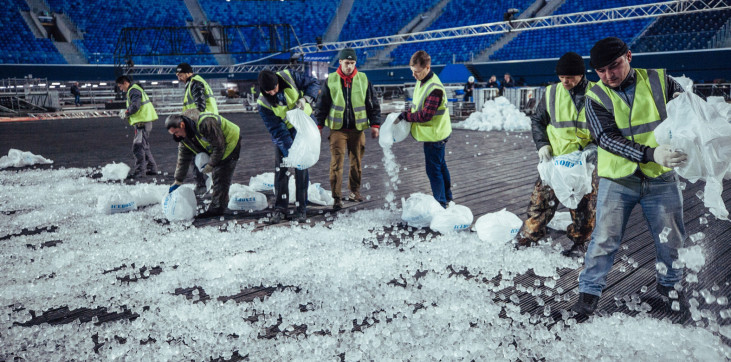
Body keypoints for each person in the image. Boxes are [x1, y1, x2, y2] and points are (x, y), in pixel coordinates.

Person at [571, 37, 689, 318]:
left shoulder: (662, 82)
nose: (608, 75)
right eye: (600, 70)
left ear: (629, 56)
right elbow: (605, 138)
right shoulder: (596, 96)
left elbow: (688, 115)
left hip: (661, 179)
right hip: (618, 180)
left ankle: (670, 287)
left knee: (671, 239)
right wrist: (652, 153)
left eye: (614, 66)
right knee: (603, 239)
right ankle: (588, 295)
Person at [515, 52, 597, 257]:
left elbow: (610, 126)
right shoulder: (552, 93)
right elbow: (537, 120)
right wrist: (542, 144)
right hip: (554, 161)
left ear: (581, 74)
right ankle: (528, 237)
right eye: (561, 77)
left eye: (569, 77)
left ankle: (581, 243)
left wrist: (596, 148)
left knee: (583, 206)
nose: (565, 81)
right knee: (540, 203)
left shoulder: (598, 93)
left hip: (583, 163)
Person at [315, 48, 381, 210]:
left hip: (357, 130)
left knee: (356, 163)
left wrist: (375, 125)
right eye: (347, 63)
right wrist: (319, 125)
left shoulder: (363, 79)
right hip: (338, 130)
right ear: (340, 62)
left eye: (352, 63)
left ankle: (354, 192)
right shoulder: (331, 80)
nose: (349, 66)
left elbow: (372, 104)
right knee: (336, 163)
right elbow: (321, 105)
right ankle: (337, 197)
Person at [257, 69, 320, 223]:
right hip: (283, 133)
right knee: (281, 169)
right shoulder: (263, 103)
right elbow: (277, 131)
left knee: (301, 169)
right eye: (267, 91)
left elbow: (313, 82)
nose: (271, 93)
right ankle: (280, 209)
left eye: (274, 89)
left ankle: (301, 209)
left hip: (302, 129)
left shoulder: (290, 76)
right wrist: (291, 153)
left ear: (278, 82)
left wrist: (305, 98)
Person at [396, 50, 452, 208]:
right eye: (412, 72)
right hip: (437, 132)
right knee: (440, 165)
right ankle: (447, 197)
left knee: (433, 170)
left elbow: (425, 115)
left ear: (428, 67)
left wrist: (405, 116)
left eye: (417, 72)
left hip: (434, 135)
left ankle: (441, 204)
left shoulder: (434, 89)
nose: (414, 75)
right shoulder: (423, 80)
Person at [165, 109, 241, 218]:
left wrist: (211, 164)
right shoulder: (183, 138)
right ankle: (222, 197)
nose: (176, 136)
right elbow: (183, 159)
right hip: (216, 146)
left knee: (220, 172)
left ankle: (217, 208)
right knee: (215, 170)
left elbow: (219, 146)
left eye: (176, 132)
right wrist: (178, 180)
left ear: (182, 125)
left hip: (230, 140)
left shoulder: (205, 123)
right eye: (173, 134)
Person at [175, 62, 217, 195]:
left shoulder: (195, 83)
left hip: (202, 123)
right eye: (177, 75)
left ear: (188, 73)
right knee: (203, 154)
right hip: (204, 122)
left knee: (196, 154)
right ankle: (211, 184)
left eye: (180, 74)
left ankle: (202, 185)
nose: (178, 77)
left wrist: (187, 118)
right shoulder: (193, 84)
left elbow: (200, 106)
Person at [116, 76, 158, 178]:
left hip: (142, 123)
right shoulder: (135, 89)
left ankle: (140, 172)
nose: (121, 89)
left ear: (125, 82)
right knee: (144, 146)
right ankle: (151, 168)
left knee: (137, 147)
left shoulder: (133, 90)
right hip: (144, 122)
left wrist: (126, 113)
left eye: (120, 86)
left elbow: (135, 106)